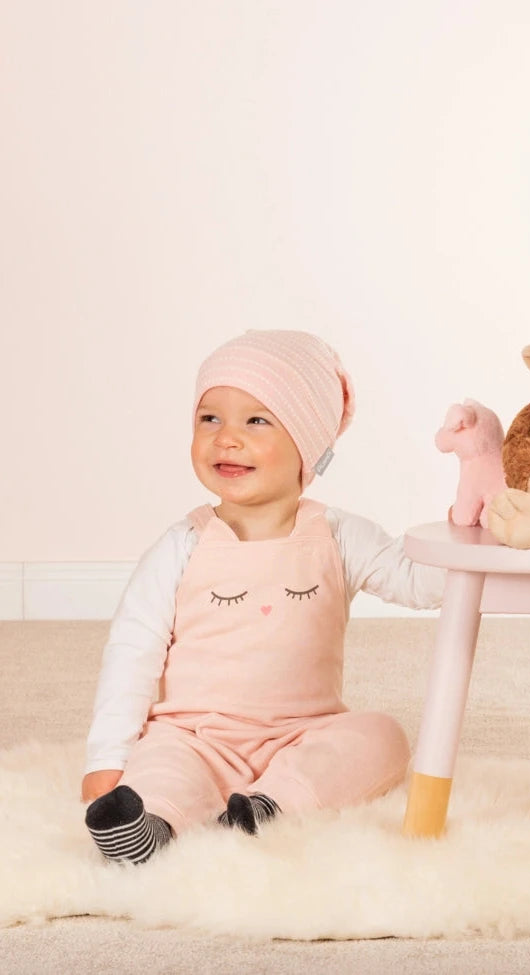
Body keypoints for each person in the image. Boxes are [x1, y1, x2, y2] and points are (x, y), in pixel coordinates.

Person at [82, 329, 444, 864]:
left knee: (381, 737)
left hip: (302, 734)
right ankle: (150, 825)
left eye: (256, 420)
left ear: (307, 444)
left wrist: (475, 520)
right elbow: (132, 651)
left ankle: (269, 807)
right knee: (160, 763)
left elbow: (422, 584)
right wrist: (106, 759)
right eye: (211, 419)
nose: (226, 438)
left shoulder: (339, 535)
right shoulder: (183, 544)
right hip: (195, 734)